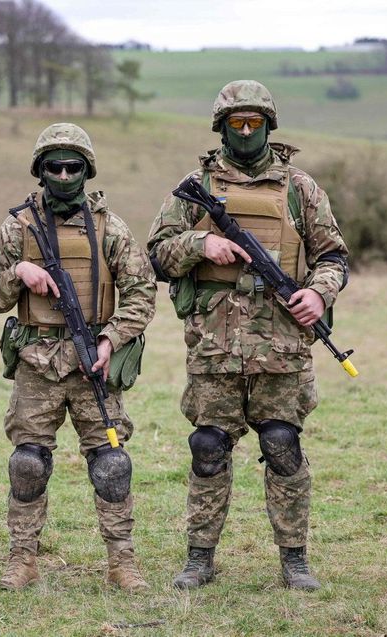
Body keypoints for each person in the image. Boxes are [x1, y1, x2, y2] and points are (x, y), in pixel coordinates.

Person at [147, 80, 350, 591]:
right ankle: (199, 558)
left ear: (268, 125)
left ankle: (295, 560)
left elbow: (333, 257)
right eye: (235, 122)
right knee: (208, 446)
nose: (244, 130)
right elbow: (157, 254)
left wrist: (319, 295)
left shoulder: (301, 189)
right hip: (214, 346)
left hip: (283, 345)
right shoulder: (195, 186)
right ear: (221, 127)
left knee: (283, 445)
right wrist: (201, 243)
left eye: (253, 122)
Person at [0, 123, 156, 592]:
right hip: (37, 362)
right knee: (28, 463)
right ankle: (22, 560)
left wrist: (111, 339)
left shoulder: (109, 227)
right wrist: (19, 271)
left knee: (112, 464)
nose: (62, 174)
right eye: (53, 166)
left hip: (93, 362)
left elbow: (141, 294)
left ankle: (122, 562)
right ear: (40, 170)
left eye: (72, 166)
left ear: (86, 170)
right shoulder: (17, 228)